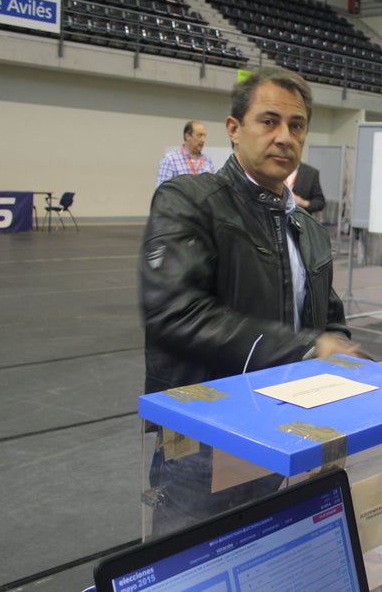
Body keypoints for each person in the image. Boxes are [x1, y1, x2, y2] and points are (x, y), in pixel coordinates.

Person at [140, 67, 363, 535]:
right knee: (192, 568)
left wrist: (340, 371)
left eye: (296, 126)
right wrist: (304, 349)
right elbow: (176, 314)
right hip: (207, 439)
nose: (284, 137)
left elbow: (329, 322)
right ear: (234, 129)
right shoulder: (188, 202)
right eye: (269, 121)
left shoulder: (307, 229)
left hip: (290, 430)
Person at [155, 120, 213, 187]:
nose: (203, 140)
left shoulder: (208, 161)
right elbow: (162, 192)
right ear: (187, 136)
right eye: (199, 135)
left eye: (204, 136)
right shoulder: (170, 160)